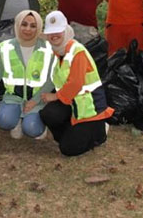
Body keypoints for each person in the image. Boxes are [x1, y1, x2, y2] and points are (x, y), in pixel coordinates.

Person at [39, 11, 113, 156]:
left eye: (58, 31)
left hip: (90, 109)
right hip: (73, 103)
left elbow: (75, 84)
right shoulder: (57, 52)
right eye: (50, 32)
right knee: (48, 114)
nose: (54, 35)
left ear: (65, 30)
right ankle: (74, 133)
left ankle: (99, 133)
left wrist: (54, 97)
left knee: (68, 149)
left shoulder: (77, 51)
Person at [0, 10, 53, 139]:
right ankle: (16, 120)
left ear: (39, 28)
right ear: (17, 25)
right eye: (24, 24)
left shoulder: (47, 49)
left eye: (33, 26)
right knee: (4, 121)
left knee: (32, 129)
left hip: (37, 99)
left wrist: (34, 101)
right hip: (13, 98)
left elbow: (51, 79)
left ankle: (34, 121)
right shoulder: (7, 48)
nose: (28, 29)